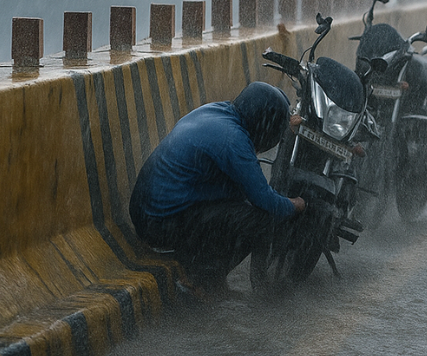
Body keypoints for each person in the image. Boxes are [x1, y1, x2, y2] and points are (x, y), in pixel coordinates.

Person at [129, 81, 306, 296]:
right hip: (160, 227)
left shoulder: (218, 111)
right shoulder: (233, 141)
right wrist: (295, 204)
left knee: (238, 201)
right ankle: (202, 282)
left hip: (145, 215)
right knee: (261, 219)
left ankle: (211, 279)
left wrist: (282, 122)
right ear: (263, 125)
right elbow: (265, 199)